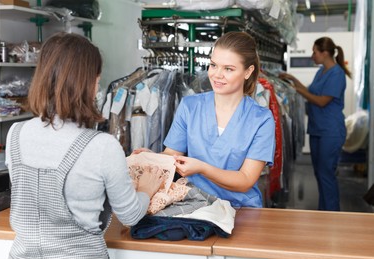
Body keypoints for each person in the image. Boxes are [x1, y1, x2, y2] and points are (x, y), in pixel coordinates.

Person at [5, 32, 163, 259]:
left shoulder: (15, 134)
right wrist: (147, 188)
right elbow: (130, 215)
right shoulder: (103, 146)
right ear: (86, 84)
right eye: (97, 82)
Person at [135, 31, 276, 208]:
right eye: (213, 65)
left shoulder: (261, 119)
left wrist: (202, 168)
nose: (217, 75)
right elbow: (172, 155)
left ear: (248, 71)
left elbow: (246, 179)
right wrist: (150, 157)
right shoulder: (189, 106)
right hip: (195, 205)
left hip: (242, 210)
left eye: (228, 69)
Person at [279, 37, 352, 211]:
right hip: (318, 130)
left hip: (331, 131)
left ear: (325, 53)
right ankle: (324, 212)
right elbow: (309, 91)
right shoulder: (322, 72)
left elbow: (321, 101)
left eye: (314, 52)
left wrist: (297, 90)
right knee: (320, 174)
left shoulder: (337, 74)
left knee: (326, 175)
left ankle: (332, 213)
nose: (312, 56)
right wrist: (292, 79)